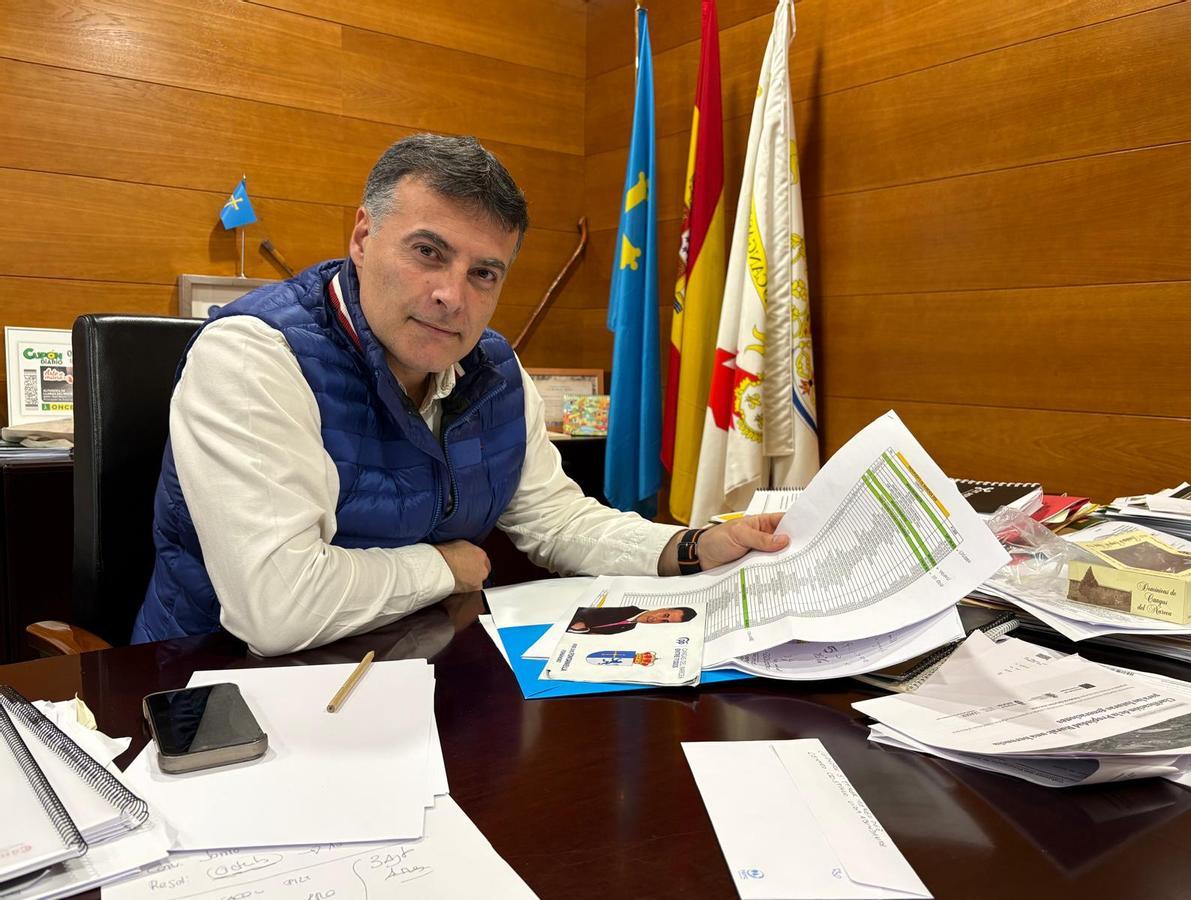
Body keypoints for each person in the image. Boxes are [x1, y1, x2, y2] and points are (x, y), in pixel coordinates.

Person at [132, 133, 790, 656]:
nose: (453, 296)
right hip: (217, 687)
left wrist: (694, 547)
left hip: (416, 668)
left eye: (484, 272)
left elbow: (558, 522)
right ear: (362, 238)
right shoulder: (254, 355)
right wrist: (445, 567)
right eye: (427, 252)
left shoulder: (497, 371)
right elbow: (277, 607)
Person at [567, 606, 697, 637]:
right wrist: (579, 624)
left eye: (665, 622)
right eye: (665, 615)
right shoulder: (629, 610)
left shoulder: (630, 628)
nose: (658, 619)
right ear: (664, 608)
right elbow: (583, 610)